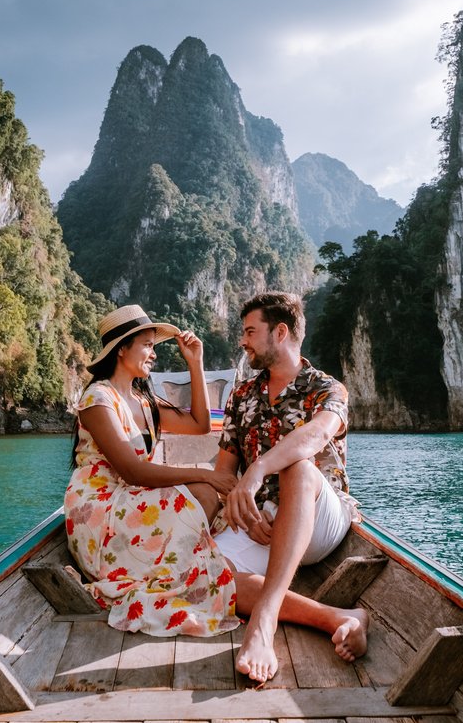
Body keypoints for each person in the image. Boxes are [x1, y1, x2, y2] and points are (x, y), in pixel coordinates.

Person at [212, 292, 369, 683]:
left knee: (298, 468)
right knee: (207, 574)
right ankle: (338, 617)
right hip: (263, 525)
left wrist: (258, 470)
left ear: (280, 332)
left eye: (250, 331)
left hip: (318, 519)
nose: (243, 340)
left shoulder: (328, 390)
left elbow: (315, 437)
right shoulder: (242, 396)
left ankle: (263, 622)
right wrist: (238, 506)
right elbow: (224, 472)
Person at [65, 304, 240, 637]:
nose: (154, 354)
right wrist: (204, 473)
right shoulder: (97, 399)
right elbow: (133, 472)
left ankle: (178, 559)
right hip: (100, 509)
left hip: (132, 497)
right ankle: (170, 566)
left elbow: (201, 424)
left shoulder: (143, 400)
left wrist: (195, 363)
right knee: (204, 491)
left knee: (208, 496)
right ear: (121, 350)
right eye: (147, 345)